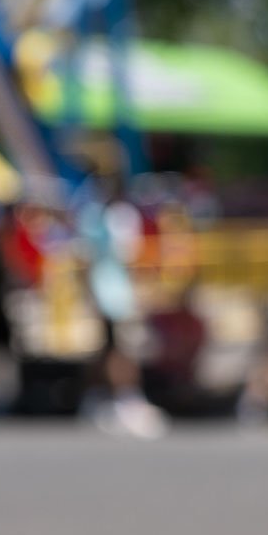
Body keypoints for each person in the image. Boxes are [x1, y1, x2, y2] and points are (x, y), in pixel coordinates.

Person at [77, 177, 167, 439]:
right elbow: (128, 257)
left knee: (107, 347)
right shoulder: (114, 217)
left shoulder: (95, 214)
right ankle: (127, 400)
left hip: (104, 288)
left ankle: (99, 397)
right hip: (115, 292)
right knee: (122, 349)